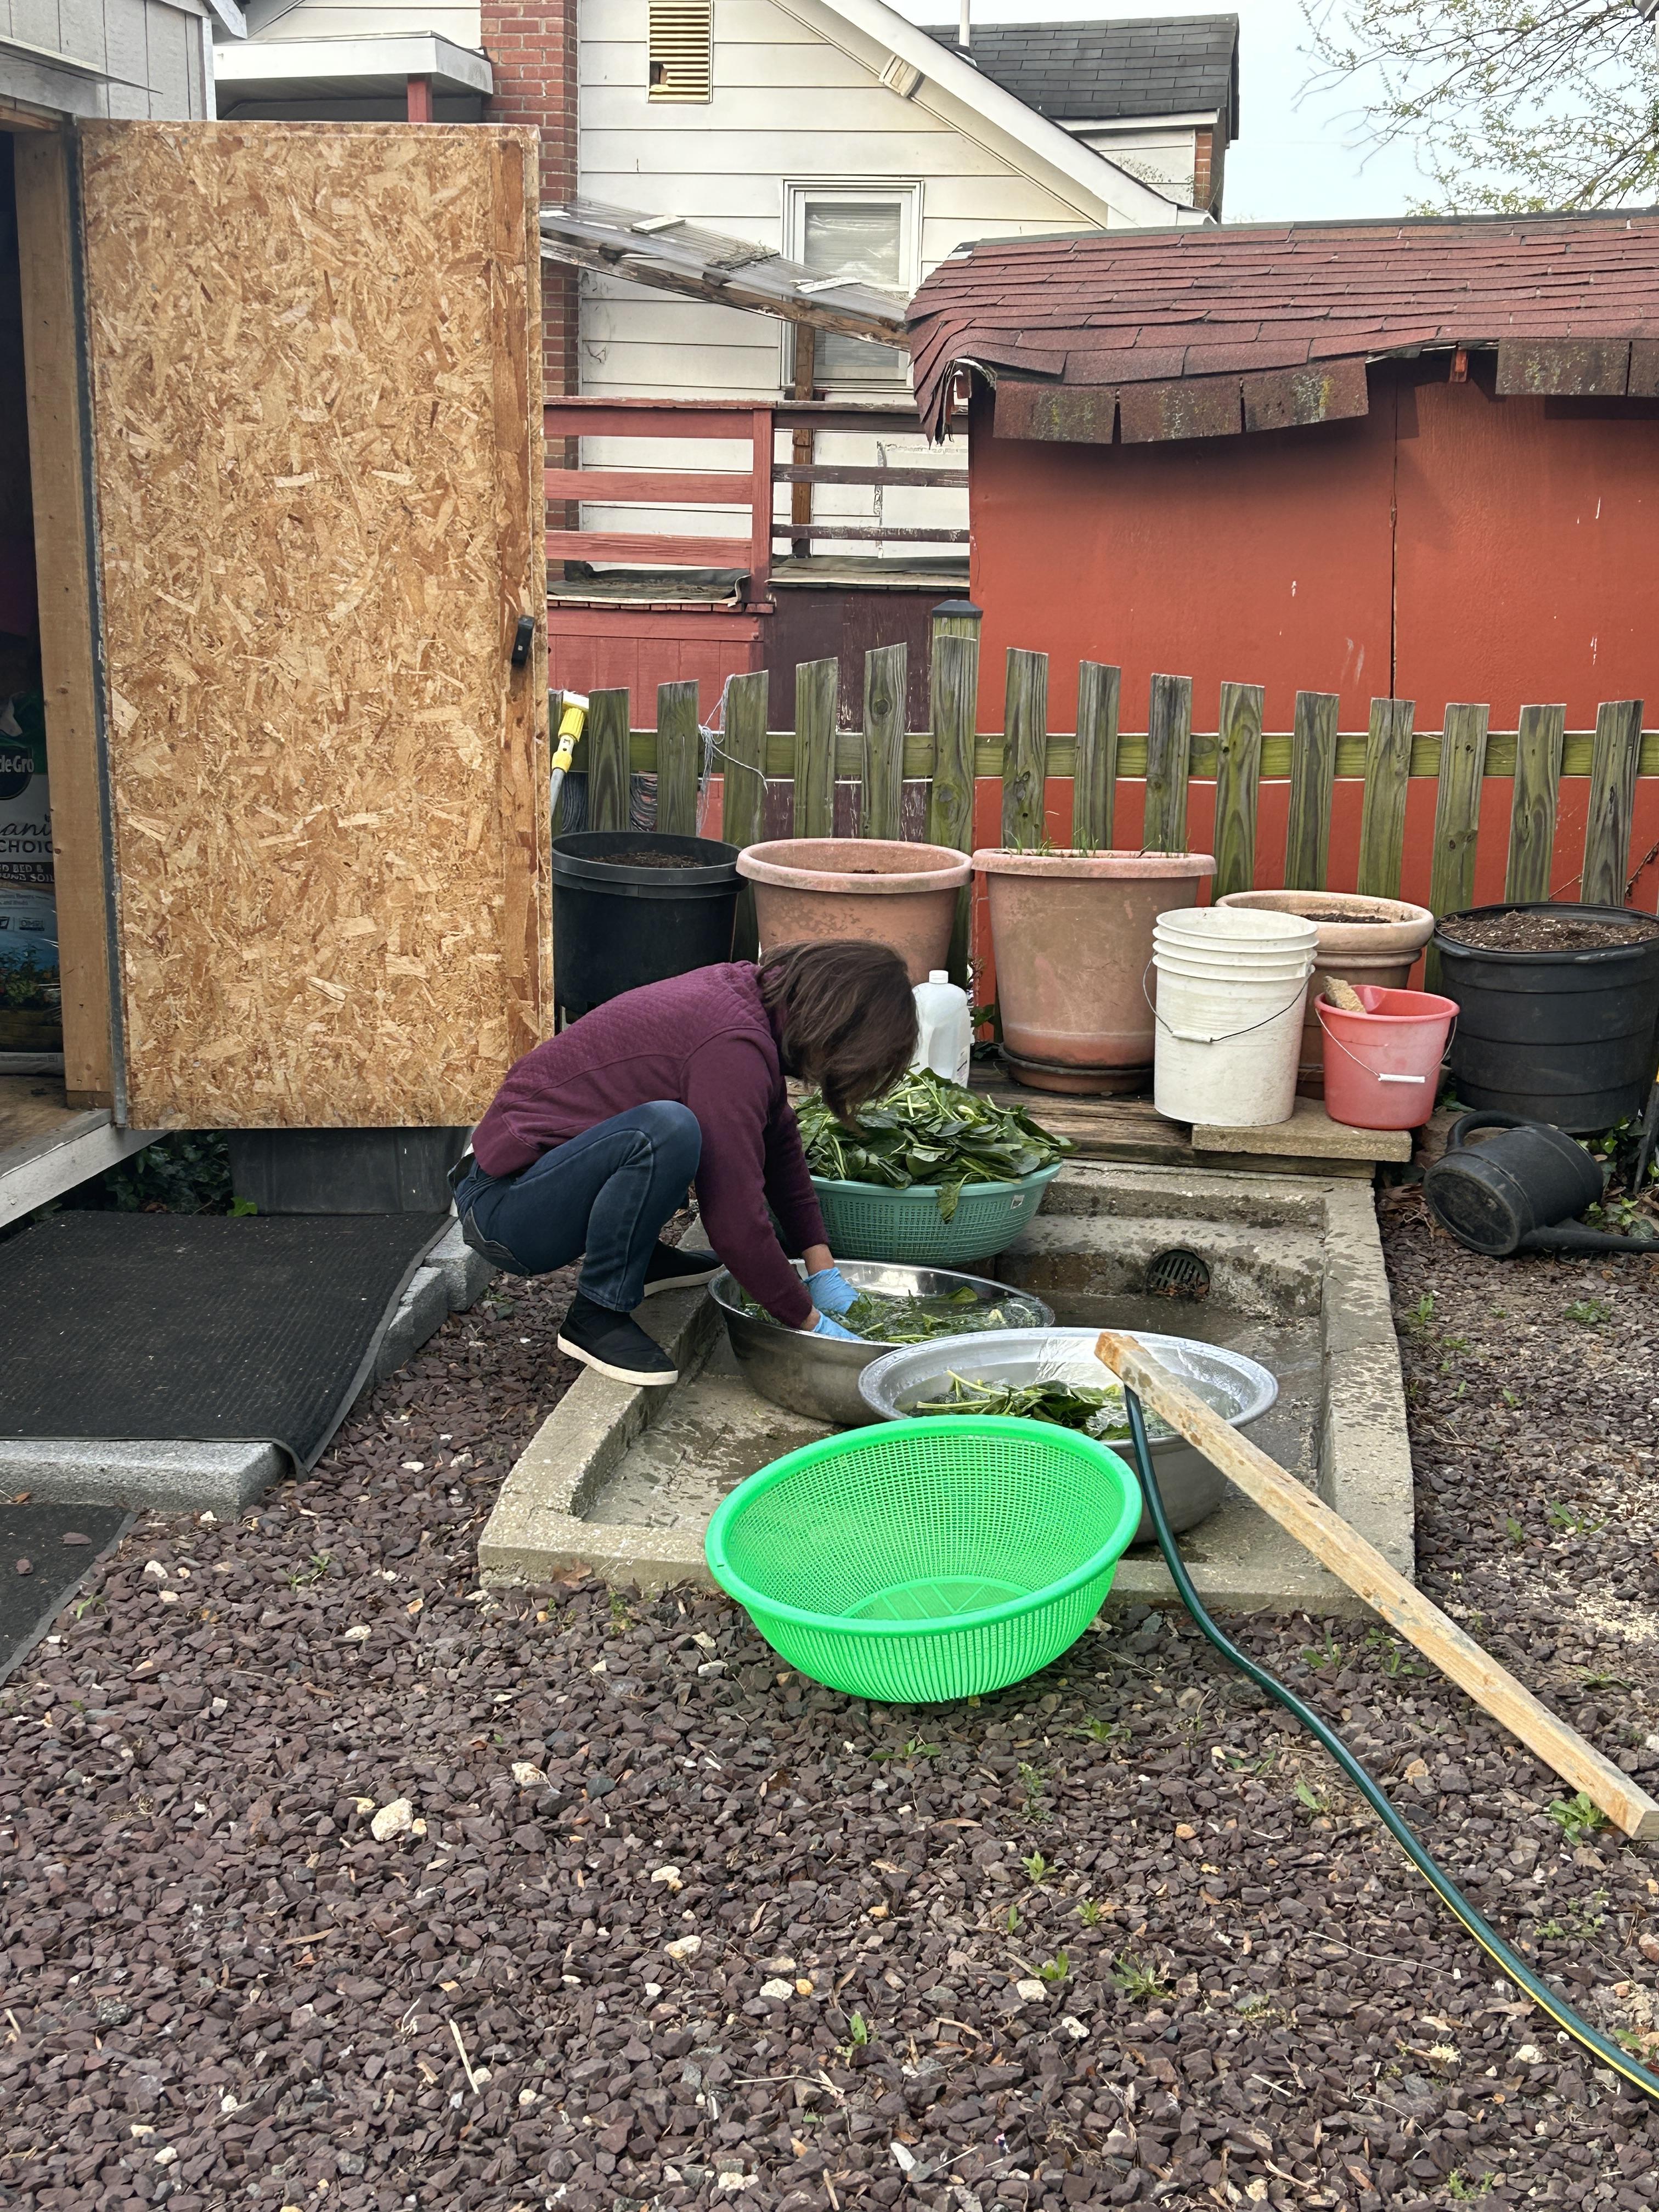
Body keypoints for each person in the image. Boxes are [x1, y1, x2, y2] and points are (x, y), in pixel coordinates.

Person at [451, 939, 918, 1387]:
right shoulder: (731, 1045)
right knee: (668, 1130)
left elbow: (779, 1144)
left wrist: (822, 1269)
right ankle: (597, 1314)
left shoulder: (752, 1004)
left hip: (535, 1184)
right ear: (838, 1029)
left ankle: (642, 1262)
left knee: (676, 1128)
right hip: (504, 1212)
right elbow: (735, 1221)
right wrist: (810, 1324)